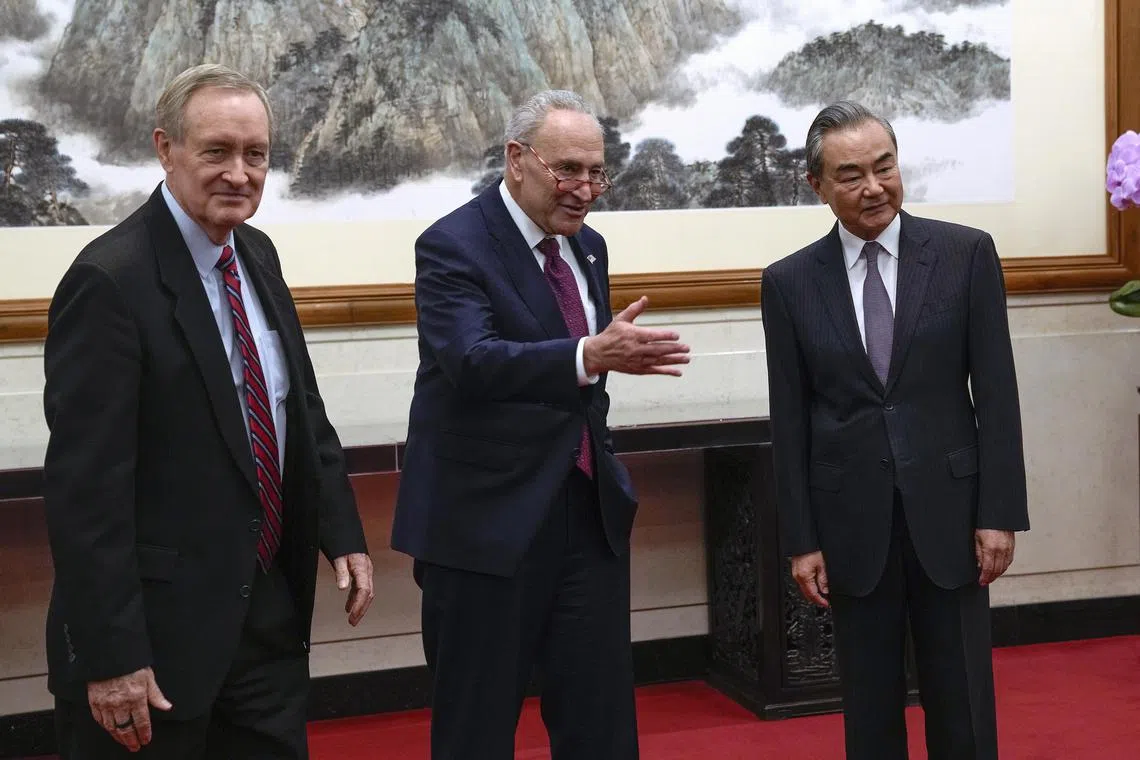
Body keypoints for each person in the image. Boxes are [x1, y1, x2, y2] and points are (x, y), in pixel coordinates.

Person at [41, 63, 374, 759]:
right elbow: (86, 494)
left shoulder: (257, 253)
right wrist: (112, 656)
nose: (239, 174)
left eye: (256, 154)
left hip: (267, 619)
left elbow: (297, 409)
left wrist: (341, 531)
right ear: (166, 149)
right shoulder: (109, 281)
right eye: (217, 151)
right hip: (155, 644)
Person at [391, 90, 690, 760]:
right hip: (484, 526)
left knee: (600, 725)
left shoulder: (589, 248)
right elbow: (472, 361)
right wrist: (588, 356)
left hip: (586, 516)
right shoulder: (452, 245)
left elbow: (584, 387)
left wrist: (596, 379)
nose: (584, 189)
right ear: (517, 158)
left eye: (596, 173)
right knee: (476, 730)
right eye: (568, 170)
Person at [761, 101, 1029, 760]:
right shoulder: (789, 283)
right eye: (850, 175)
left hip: (952, 512)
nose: (874, 187)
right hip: (851, 519)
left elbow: (997, 395)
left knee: (963, 704)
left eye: (884, 167)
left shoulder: (966, 254)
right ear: (817, 185)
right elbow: (789, 419)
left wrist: (999, 514)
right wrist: (801, 539)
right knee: (870, 708)